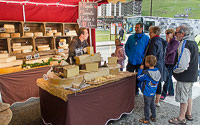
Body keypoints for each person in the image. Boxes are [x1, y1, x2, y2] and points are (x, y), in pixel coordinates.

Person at [169, 26, 198, 124]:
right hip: (192, 75)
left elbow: (183, 64)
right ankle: (188, 113)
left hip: (185, 76)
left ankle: (181, 118)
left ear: (182, 34)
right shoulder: (193, 42)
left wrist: (174, 70)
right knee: (188, 95)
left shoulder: (185, 44)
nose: (175, 34)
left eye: (176, 32)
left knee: (183, 97)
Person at [125, 23, 150, 95]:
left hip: (140, 62)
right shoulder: (131, 37)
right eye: (135, 27)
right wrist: (129, 55)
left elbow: (147, 50)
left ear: (142, 28)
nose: (136, 29)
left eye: (137, 28)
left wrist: (143, 58)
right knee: (128, 76)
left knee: (138, 77)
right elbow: (126, 47)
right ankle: (128, 89)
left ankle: (136, 90)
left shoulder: (146, 38)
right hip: (131, 61)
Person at [146, 26, 168, 107]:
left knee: (152, 83)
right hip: (161, 65)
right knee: (158, 84)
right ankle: (157, 101)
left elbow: (152, 56)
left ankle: (150, 100)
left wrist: (148, 65)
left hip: (154, 66)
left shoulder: (153, 41)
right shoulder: (162, 40)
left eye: (150, 32)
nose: (149, 34)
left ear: (154, 33)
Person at [137, 55, 161, 124]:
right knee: (152, 104)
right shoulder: (157, 72)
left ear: (147, 63)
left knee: (146, 105)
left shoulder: (147, 74)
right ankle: (153, 116)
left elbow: (139, 77)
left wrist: (140, 70)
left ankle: (146, 119)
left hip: (147, 92)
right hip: (153, 91)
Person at [160, 29, 179, 100]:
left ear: (173, 34)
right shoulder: (167, 41)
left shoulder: (176, 42)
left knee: (167, 78)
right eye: (166, 33)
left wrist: (167, 43)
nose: (167, 34)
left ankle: (164, 93)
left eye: (168, 33)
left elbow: (169, 50)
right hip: (166, 61)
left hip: (171, 62)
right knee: (169, 77)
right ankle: (171, 91)